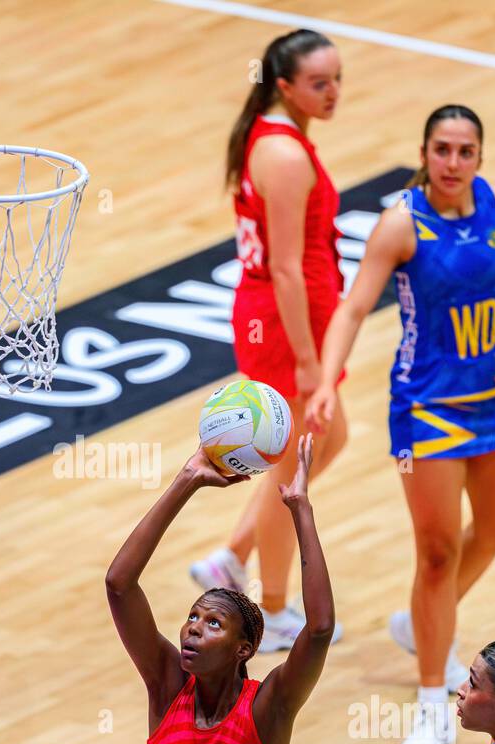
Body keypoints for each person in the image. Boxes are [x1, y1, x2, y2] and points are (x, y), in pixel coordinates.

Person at [305, 105, 495, 744]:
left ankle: (422, 622)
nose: (453, 162)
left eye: (465, 151)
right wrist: (326, 383)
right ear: (426, 153)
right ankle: (435, 703)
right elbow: (354, 307)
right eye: (442, 149)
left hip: (493, 396)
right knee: (436, 554)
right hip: (426, 406)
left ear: (480, 158)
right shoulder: (402, 223)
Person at [108, 434, 336, 744]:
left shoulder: (267, 709)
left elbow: (318, 630)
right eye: (193, 616)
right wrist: (186, 480)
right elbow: (119, 584)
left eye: (213, 623)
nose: (193, 626)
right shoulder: (167, 688)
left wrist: (300, 509)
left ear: (244, 649)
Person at [190, 28, 346, 652]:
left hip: (289, 316)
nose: (333, 92)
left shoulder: (272, 136)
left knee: (328, 440)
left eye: (337, 79)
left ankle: (230, 556)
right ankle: (276, 609)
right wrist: (308, 362)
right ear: (285, 86)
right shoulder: (283, 154)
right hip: (285, 324)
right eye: (318, 83)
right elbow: (284, 266)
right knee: (294, 469)